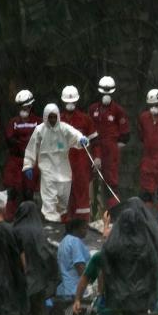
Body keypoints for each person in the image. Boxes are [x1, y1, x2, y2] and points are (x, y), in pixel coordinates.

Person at [95, 198, 158, 315]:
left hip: (119, 299)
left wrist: (110, 290)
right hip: (139, 299)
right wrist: (151, 296)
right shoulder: (146, 244)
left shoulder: (112, 246)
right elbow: (154, 270)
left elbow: (105, 269)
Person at [23, 103, 88, 222]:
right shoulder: (40, 130)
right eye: (50, 117)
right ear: (45, 117)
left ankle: (61, 223)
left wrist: (81, 140)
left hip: (64, 170)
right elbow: (31, 148)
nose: (52, 119)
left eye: (54, 117)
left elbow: (75, 134)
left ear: (58, 116)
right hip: (47, 170)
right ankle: (51, 224)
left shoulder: (64, 128)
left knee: (63, 202)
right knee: (49, 202)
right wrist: (28, 165)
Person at [12, 201, 59, 315]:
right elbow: (47, 254)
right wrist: (52, 277)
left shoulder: (13, 231)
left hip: (17, 286)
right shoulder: (38, 231)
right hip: (37, 285)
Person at [88, 76, 130, 209]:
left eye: (108, 92)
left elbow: (125, 135)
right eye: (104, 92)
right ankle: (94, 213)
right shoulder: (93, 109)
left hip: (111, 150)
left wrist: (115, 150)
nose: (106, 95)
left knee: (111, 183)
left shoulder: (118, 111)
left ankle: (114, 212)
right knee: (92, 181)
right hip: (94, 147)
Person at [60, 85, 98, 221]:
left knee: (82, 194)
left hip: (81, 163)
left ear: (76, 102)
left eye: (72, 102)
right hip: (63, 163)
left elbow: (95, 141)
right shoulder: (57, 120)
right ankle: (63, 224)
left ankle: (83, 223)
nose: (70, 105)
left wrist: (97, 158)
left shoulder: (85, 119)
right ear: (63, 102)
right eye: (68, 102)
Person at [3, 90, 40, 220]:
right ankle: (9, 216)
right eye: (21, 107)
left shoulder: (37, 122)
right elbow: (10, 139)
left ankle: (29, 217)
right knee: (12, 189)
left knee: (28, 191)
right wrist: (21, 145)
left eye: (25, 106)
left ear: (30, 106)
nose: (23, 109)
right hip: (16, 160)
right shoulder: (13, 122)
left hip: (31, 160)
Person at [54, 219, 91, 315]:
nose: (86, 231)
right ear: (76, 229)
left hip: (64, 290)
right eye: (84, 228)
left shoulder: (64, 241)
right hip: (75, 292)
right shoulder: (75, 241)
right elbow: (80, 267)